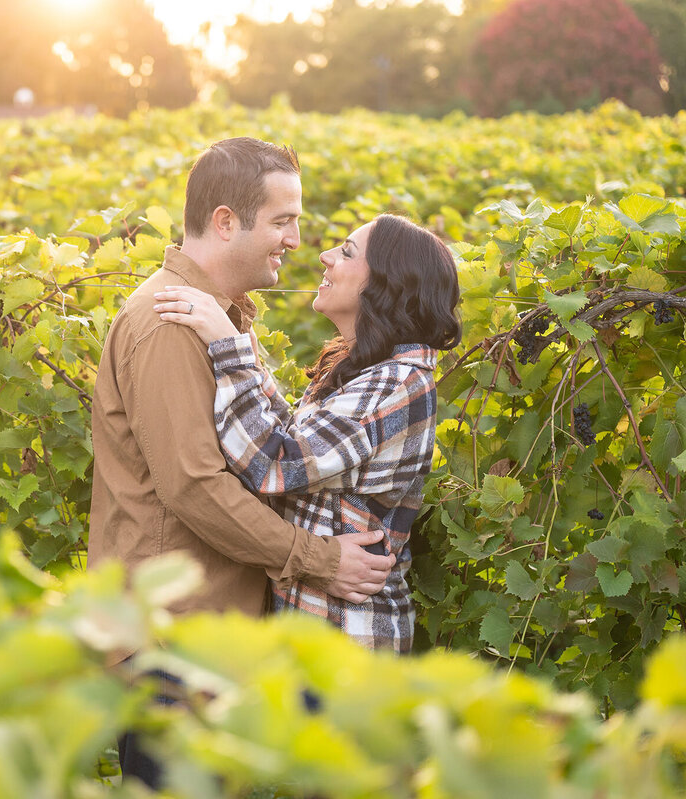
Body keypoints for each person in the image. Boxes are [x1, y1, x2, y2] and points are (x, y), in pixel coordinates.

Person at [87, 137, 397, 787]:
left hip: (212, 642)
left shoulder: (224, 321)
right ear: (227, 221)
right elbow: (196, 487)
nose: (296, 239)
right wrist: (321, 558)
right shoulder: (168, 321)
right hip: (171, 647)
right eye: (283, 221)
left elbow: (277, 444)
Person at [152, 213, 462, 653]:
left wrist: (229, 348)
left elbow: (275, 462)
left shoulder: (397, 384)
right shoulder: (370, 372)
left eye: (347, 252)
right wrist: (242, 344)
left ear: (385, 286)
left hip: (345, 645)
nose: (325, 255)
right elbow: (294, 436)